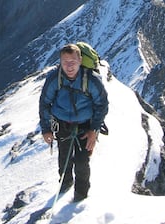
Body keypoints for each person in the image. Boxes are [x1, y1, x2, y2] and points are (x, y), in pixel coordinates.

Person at [39, 43, 109, 202]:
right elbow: (44, 103)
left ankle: (80, 196)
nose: (69, 66)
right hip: (62, 124)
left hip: (85, 126)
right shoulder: (54, 79)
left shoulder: (91, 80)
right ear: (60, 62)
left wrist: (94, 130)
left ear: (80, 60)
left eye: (73, 61)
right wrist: (46, 129)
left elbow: (102, 105)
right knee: (64, 156)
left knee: (82, 161)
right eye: (65, 62)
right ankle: (65, 182)